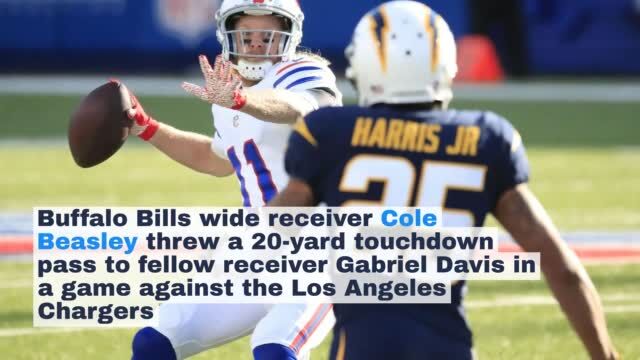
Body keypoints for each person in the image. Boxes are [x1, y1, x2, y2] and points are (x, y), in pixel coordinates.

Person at [268, 1, 619, 359]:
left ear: (364, 67)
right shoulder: (485, 139)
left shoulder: (329, 133)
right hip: (446, 347)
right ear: (445, 66)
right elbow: (562, 269)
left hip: (362, 347)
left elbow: (276, 231)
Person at [127, 0, 341, 359]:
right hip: (254, 250)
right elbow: (216, 159)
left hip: (318, 250)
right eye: (247, 34)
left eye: (268, 35)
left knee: (274, 350)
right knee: (154, 342)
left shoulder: (302, 73)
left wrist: (243, 100)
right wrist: (147, 128)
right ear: (228, 36)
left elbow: (299, 107)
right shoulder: (229, 95)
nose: (256, 44)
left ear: (289, 37)